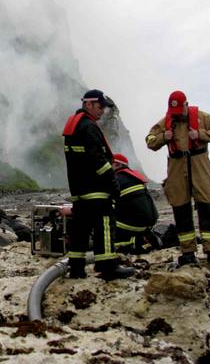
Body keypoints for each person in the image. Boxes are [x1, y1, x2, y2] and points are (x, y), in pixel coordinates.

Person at [146, 90, 210, 266]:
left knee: (207, 206)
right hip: (176, 169)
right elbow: (150, 140)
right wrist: (162, 137)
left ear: (186, 104)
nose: (176, 116)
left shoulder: (202, 117)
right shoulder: (166, 122)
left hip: (199, 165)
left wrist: (200, 134)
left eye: (179, 111)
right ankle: (188, 252)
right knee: (181, 209)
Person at [62, 89, 134, 280]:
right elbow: (99, 161)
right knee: (104, 226)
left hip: (80, 191)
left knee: (80, 229)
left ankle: (76, 269)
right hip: (96, 190)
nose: (102, 111)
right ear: (89, 104)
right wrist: (112, 184)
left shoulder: (73, 128)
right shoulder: (89, 127)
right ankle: (108, 267)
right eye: (100, 106)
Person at [111, 153, 159, 254]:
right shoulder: (134, 177)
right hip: (148, 223)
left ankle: (124, 246)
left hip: (134, 224)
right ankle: (142, 238)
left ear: (117, 165)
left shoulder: (116, 179)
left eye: (110, 164)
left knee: (105, 217)